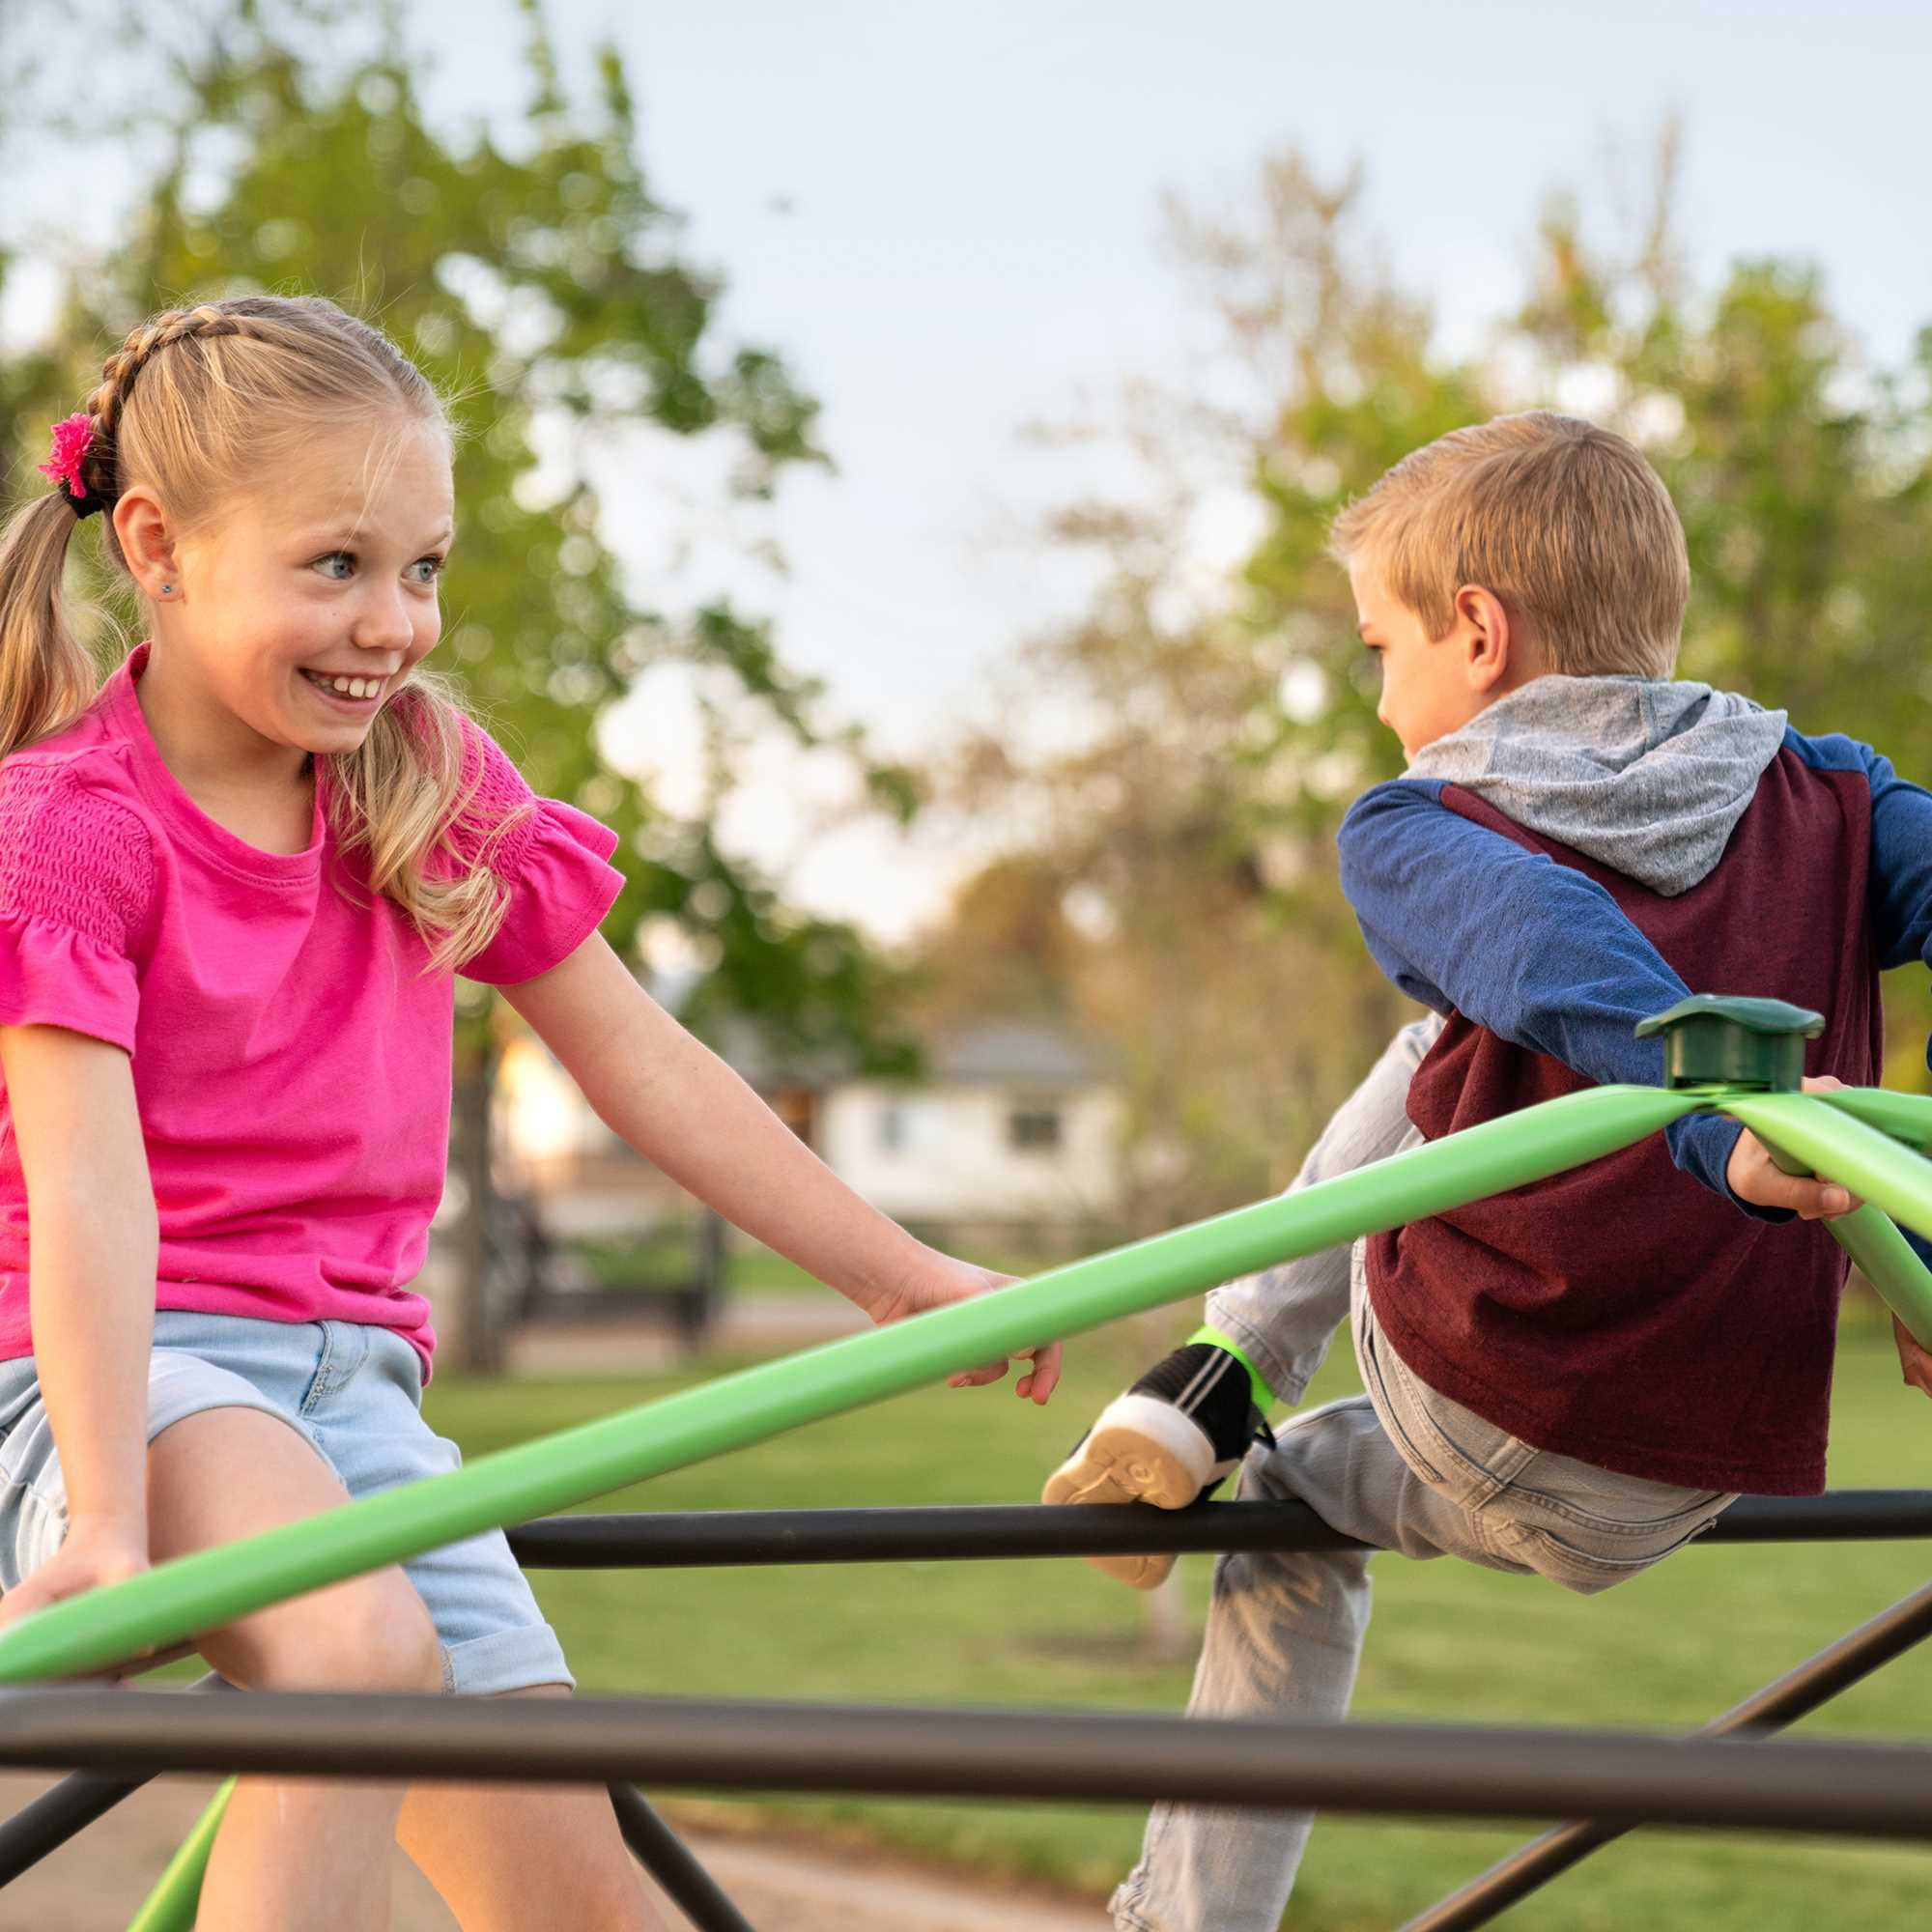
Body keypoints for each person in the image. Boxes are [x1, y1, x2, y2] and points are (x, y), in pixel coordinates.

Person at [0, 295, 1061, 1932]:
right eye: (335, 565)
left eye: (423, 568)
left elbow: (640, 1059)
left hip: (356, 1407)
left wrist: (899, 1274)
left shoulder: (417, 778)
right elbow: (83, 1193)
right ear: (157, 544)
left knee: (594, 1915)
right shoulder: (70, 830)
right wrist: (110, 1522)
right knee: (353, 1656)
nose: (394, 625)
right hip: (119, 1373)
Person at [1044, 411, 1932, 1932]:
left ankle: (1223, 1367)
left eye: (1380, 648)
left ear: (1476, 631)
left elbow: (1541, 950)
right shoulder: (1833, 796)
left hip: (1486, 1385)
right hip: (1714, 1444)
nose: (1385, 704)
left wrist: (1720, 1118)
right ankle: (1230, 1390)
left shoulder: (1418, 822)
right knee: (1306, 1488)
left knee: (1426, 1062)